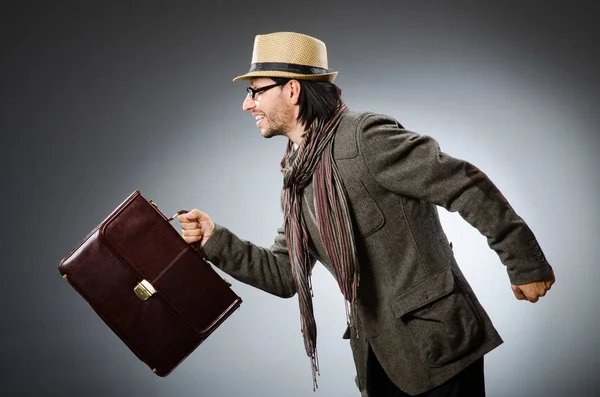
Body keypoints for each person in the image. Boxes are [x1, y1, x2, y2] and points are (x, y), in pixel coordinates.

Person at [178, 32, 555, 397]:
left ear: (292, 89)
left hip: (440, 344)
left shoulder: (365, 137)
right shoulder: (297, 180)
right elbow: (283, 275)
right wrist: (214, 240)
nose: (247, 104)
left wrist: (525, 262)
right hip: (379, 360)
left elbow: (463, 183)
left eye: (255, 91)